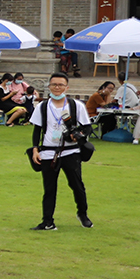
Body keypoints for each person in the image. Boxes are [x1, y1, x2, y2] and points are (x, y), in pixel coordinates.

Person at [30, 74, 92, 230]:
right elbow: (37, 130)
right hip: (49, 152)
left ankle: (82, 213)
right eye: (54, 84)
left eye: (60, 85)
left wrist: (78, 136)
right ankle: (47, 221)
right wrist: (35, 149)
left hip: (71, 151)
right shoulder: (42, 107)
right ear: (49, 86)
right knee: (49, 188)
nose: (57, 88)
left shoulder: (76, 105)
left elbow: (87, 127)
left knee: (77, 185)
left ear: (67, 87)